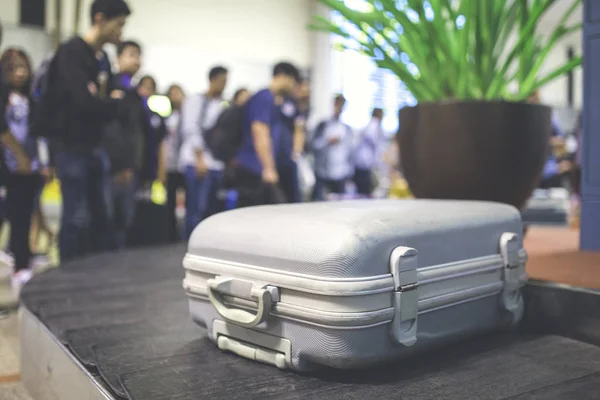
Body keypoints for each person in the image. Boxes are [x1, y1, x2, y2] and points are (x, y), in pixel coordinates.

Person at [41, 0, 131, 262]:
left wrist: (104, 101)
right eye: (118, 24)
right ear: (101, 19)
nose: (120, 32)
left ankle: (95, 275)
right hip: (71, 148)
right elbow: (85, 102)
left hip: (94, 147)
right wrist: (107, 101)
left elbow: (116, 102)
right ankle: (69, 274)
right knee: (75, 218)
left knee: (100, 217)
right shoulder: (72, 52)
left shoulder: (102, 60)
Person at [0, 48, 50, 294]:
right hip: (8, 169)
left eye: (23, 67)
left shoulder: (32, 99)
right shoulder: (3, 97)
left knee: (23, 217)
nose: (20, 72)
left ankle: (22, 263)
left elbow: (39, 134)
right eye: (13, 67)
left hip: (28, 171)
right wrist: (18, 155)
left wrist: (41, 163)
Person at [234, 62, 301, 208]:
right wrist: (268, 168)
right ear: (283, 77)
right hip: (253, 167)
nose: (292, 87)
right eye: (292, 82)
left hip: (258, 168)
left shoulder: (274, 100)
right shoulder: (264, 97)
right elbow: (260, 131)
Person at [102, 40, 143, 249]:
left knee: (124, 220)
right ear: (118, 58)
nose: (136, 59)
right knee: (111, 219)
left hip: (128, 166)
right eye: (131, 54)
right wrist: (122, 165)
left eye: (138, 55)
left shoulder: (133, 92)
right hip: (116, 166)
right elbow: (114, 130)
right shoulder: (114, 86)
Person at [179, 66, 228, 238]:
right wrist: (200, 159)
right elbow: (191, 129)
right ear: (213, 79)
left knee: (210, 209)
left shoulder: (221, 105)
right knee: (196, 208)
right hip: (197, 162)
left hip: (215, 163)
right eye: (222, 81)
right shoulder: (196, 101)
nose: (224, 85)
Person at [311, 94, 354, 200]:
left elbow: (350, 152)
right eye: (337, 104)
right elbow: (313, 146)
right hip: (323, 171)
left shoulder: (347, 129)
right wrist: (328, 141)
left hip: (340, 173)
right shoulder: (323, 125)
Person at [164, 84, 185, 242]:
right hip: (170, 164)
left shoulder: (189, 117)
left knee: (189, 201)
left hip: (185, 164)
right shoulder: (167, 118)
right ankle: (171, 234)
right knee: (170, 201)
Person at [353, 108, 384, 197]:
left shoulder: (370, 125)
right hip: (364, 163)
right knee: (365, 192)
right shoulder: (374, 124)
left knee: (362, 191)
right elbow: (374, 142)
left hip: (361, 163)